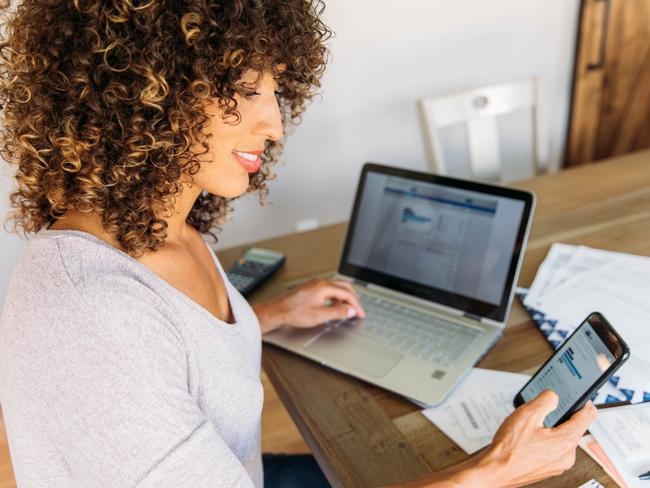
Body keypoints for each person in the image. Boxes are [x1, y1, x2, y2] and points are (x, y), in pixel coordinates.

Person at [0, 1, 596, 487]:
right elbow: (126, 351)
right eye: (242, 89)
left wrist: (268, 317)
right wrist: (495, 470)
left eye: (275, 93)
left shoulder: (162, 229)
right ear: (139, 90)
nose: (275, 124)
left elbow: (166, 354)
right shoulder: (90, 315)